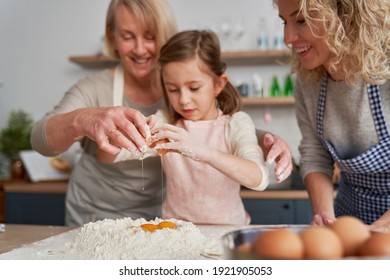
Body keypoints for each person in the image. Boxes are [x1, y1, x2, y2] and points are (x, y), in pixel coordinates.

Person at [31, 0, 292, 227]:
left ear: (217, 84)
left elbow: (231, 138)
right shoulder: (151, 114)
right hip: (101, 214)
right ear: (112, 37)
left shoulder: (183, 81)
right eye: (127, 36)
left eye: (150, 35)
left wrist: (264, 138)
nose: (140, 48)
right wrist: (89, 123)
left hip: (173, 223)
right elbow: (48, 141)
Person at [98, 30, 270, 225]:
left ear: (218, 84)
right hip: (176, 233)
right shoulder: (164, 123)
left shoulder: (236, 123)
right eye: (173, 89)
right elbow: (108, 156)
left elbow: (259, 179)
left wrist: (203, 152)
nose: (183, 100)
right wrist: (116, 132)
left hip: (227, 230)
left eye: (194, 88)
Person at [275, 0, 390, 232]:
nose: (288, 37)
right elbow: (315, 153)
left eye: (302, 20)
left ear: (344, 14)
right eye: (284, 22)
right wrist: (325, 217)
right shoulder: (308, 81)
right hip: (350, 217)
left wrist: (382, 228)